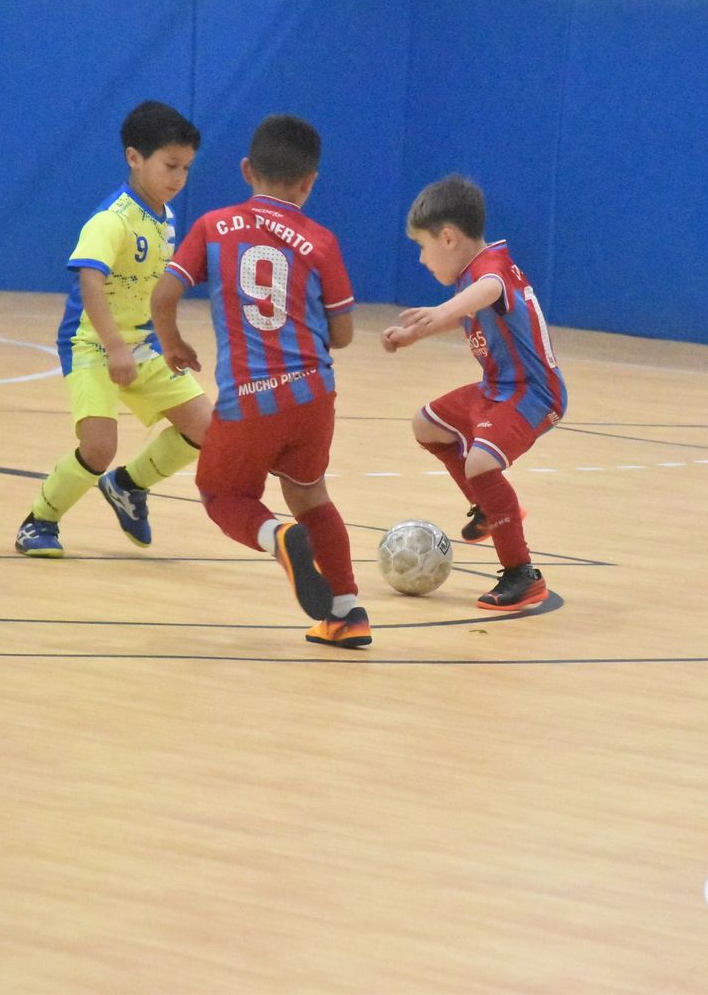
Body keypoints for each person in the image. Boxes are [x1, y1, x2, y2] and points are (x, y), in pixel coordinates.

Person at [151, 115, 369, 649]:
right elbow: (342, 335)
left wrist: (173, 343)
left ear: (247, 169)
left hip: (250, 400)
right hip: (314, 397)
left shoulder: (213, 226)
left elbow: (163, 294)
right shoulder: (321, 242)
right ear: (310, 181)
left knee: (222, 493)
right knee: (309, 492)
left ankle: (277, 537)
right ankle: (347, 611)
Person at [14, 101, 212, 558]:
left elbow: (152, 291)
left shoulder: (164, 219)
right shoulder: (113, 218)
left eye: (185, 168)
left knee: (210, 430)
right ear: (134, 158)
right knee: (99, 447)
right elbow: (90, 281)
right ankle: (38, 522)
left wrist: (171, 340)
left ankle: (128, 485)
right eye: (170, 165)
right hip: (93, 343)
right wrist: (115, 346)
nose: (178, 177)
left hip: (141, 342)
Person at [381, 174, 566, 611]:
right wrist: (415, 334)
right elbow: (471, 310)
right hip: (497, 388)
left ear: (448, 237)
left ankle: (522, 573)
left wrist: (439, 310)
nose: (423, 260)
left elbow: (491, 291)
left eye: (423, 248)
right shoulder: (472, 277)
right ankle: (487, 507)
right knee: (427, 426)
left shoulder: (488, 270)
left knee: (481, 462)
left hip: (534, 393)